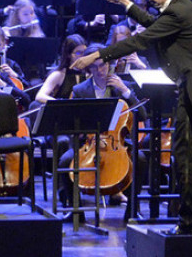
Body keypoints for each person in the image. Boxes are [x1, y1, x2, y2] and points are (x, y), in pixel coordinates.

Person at [73, 0, 192, 234]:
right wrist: (124, 2)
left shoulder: (178, 10)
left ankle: (190, 223)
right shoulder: (178, 7)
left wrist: (95, 57)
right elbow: (154, 25)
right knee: (191, 156)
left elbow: (142, 39)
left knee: (186, 157)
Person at [58, 44, 142, 206]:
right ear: (89, 69)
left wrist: (125, 91)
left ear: (109, 64)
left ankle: (132, 208)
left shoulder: (122, 87)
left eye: (103, 65)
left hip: (118, 144)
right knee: (64, 160)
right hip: (88, 144)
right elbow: (71, 123)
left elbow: (143, 114)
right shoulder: (80, 90)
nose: (100, 70)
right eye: (94, 67)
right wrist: (86, 133)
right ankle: (75, 208)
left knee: (141, 159)